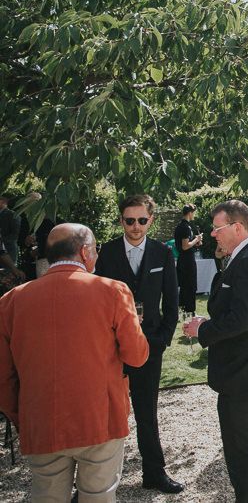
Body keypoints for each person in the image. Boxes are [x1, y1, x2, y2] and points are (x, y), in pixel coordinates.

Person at [0, 223, 148, 502]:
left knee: (47, 496)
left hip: (41, 419)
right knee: (99, 495)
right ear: (85, 251)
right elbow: (137, 356)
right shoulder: (113, 291)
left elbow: (3, 375)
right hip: (99, 417)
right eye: (96, 249)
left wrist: (21, 416)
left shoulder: (12, 301)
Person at [183, 200, 248, 502]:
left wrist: (202, 330)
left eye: (218, 229)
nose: (213, 235)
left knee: (243, 453)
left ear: (237, 227)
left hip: (243, 371)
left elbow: (241, 319)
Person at [95, 194, 182, 494]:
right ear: (121, 220)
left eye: (141, 220)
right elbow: (97, 303)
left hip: (150, 346)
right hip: (112, 349)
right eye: (129, 220)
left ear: (151, 220)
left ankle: (154, 473)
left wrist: (162, 339)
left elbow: (173, 301)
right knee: (106, 413)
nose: (135, 226)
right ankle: (97, 482)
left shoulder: (162, 253)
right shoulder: (106, 253)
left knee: (147, 412)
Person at [174, 203, 202, 314]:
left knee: (186, 285)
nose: (194, 215)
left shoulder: (184, 226)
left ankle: (183, 308)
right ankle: (189, 309)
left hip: (184, 259)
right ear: (190, 213)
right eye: (193, 212)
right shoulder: (185, 227)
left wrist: (196, 242)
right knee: (189, 285)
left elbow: (186, 245)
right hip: (186, 260)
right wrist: (196, 239)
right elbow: (185, 246)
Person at [0, 195, 20, 264]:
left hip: (8, 250)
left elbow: (15, 234)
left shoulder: (12, 214)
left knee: (9, 272)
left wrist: (2, 240)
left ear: (2, 202)